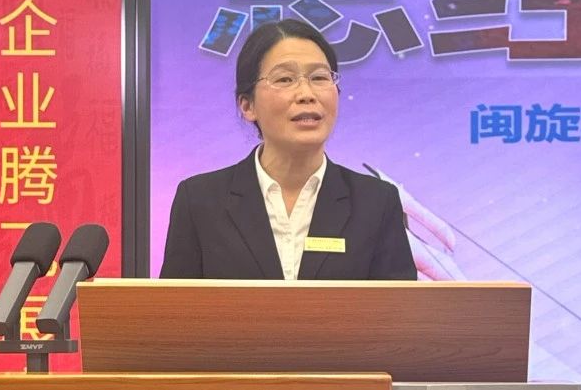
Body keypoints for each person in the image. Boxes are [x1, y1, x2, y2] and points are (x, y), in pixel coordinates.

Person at [160, 19, 416, 280]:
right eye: (285, 79)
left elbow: (399, 305)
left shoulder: (376, 202)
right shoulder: (200, 200)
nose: (307, 93)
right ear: (247, 105)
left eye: (319, 77)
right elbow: (174, 304)